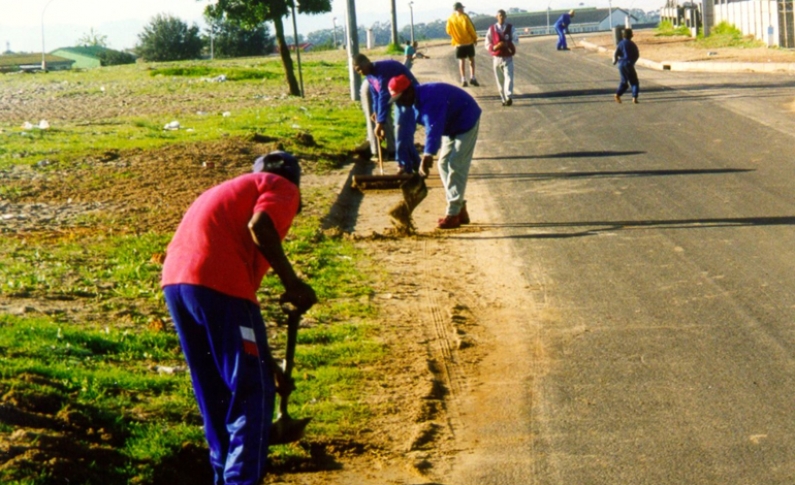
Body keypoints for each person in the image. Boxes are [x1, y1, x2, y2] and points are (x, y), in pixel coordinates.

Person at [161, 151, 318, 485]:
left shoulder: (231, 191)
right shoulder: (281, 187)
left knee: (215, 391)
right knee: (252, 392)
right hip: (218, 282)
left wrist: (271, 368)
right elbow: (260, 225)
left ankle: (222, 475)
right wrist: (293, 284)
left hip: (177, 283)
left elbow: (238, 326)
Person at [388, 75, 481, 229]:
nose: (400, 102)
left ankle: (453, 214)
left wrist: (427, 155)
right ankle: (460, 207)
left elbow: (433, 128)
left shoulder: (430, 98)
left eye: (400, 98)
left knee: (456, 164)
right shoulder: (413, 102)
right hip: (450, 125)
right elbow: (407, 130)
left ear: (409, 90)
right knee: (443, 164)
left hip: (466, 119)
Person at [354, 54, 421, 174]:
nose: (360, 72)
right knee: (401, 131)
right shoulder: (370, 76)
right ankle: (416, 164)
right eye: (357, 71)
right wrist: (376, 112)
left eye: (360, 68)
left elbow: (384, 96)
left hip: (408, 97)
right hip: (396, 97)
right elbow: (376, 96)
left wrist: (380, 123)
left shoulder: (383, 71)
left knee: (402, 131)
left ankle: (404, 165)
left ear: (366, 62)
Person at [485, 9, 518, 107]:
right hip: (497, 58)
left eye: (503, 16)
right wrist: (494, 47)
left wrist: (508, 44)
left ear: (505, 17)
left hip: (507, 57)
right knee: (500, 80)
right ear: (496, 17)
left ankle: (508, 96)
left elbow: (516, 40)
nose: (501, 18)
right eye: (500, 16)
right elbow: (487, 43)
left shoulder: (510, 28)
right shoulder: (492, 29)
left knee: (509, 77)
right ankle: (503, 98)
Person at [446, 2, 480, 87]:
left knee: (461, 61)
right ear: (458, 9)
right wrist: (475, 38)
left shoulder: (450, 19)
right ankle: (472, 77)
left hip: (458, 43)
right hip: (468, 42)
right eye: (462, 8)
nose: (463, 9)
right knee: (471, 60)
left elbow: (448, 30)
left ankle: (463, 79)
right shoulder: (464, 17)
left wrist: (455, 35)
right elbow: (470, 29)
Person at [360, 80, 395, 161]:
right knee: (376, 118)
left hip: (381, 85)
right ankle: (379, 152)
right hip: (375, 86)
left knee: (384, 117)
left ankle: (390, 150)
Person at [613, 28, 640, 104]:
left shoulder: (620, 43)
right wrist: (633, 62)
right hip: (629, 64)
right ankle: (634, 97)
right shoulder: (632, 44)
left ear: (623, 35)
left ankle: (618, 94)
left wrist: (615, 61)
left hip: (621, 64)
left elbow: (616, 53)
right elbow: (637, 55)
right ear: (631, 36)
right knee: (634, 82)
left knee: (624, 82)